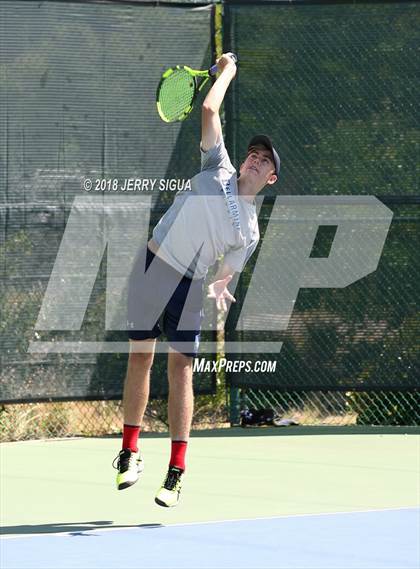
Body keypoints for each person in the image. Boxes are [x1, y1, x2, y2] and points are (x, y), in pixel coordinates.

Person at [113, 52, 280, 508]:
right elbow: (208, 110)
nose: (253, 159)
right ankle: (129, 453)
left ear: (270, 177)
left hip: (187, 285)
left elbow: (228, 270)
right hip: (152, 266)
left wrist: (220, 285)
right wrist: (227, 71)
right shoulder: (218, 167)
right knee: (139, 360)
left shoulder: (249, 230)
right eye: (253, 153)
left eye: (263, 160)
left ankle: (176, 471)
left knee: (180, 371)